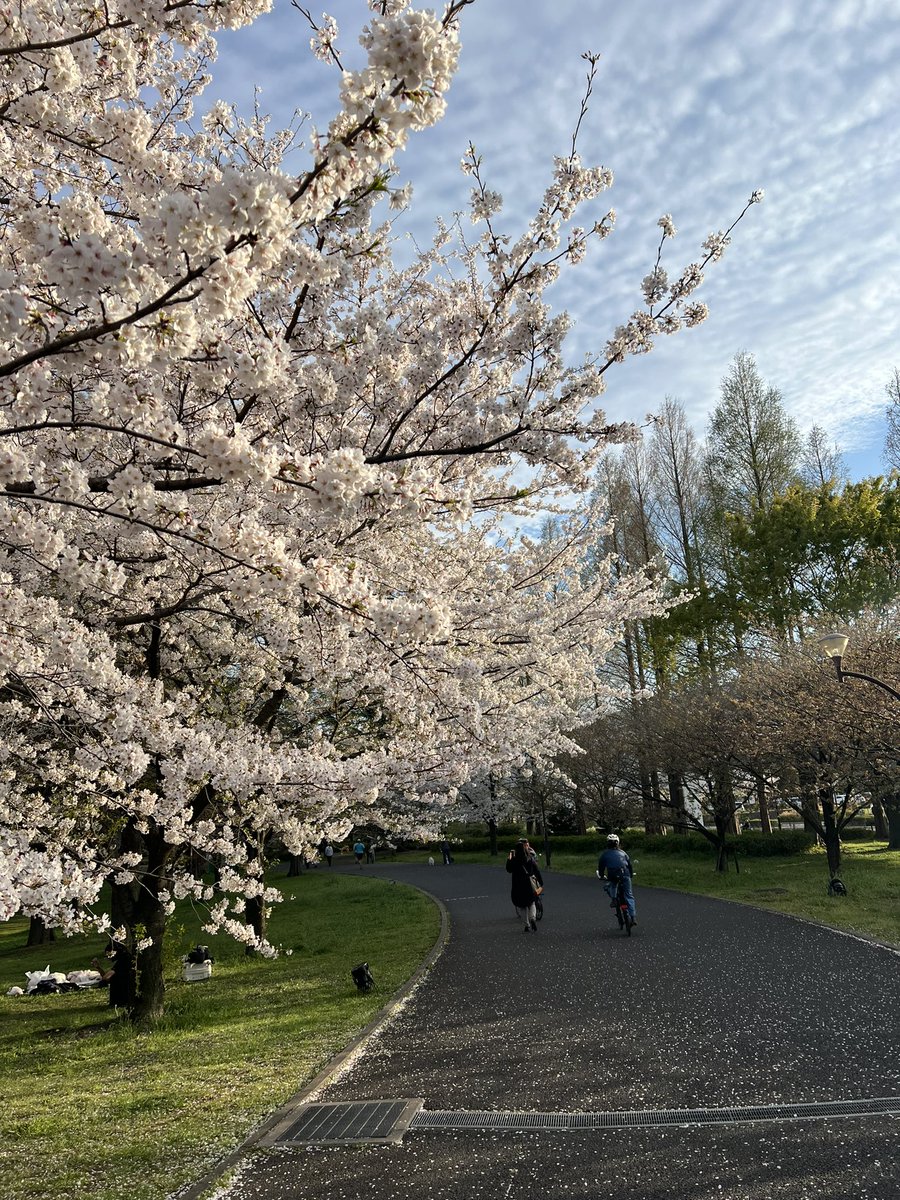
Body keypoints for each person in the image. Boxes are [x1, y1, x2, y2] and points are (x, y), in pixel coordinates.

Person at [596, 832, 636, 923]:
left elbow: (601, 867)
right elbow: (629, 865)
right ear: (618, 842)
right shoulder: (623, 853)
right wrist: (631, 874)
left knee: (612, 885)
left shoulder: (605, 854)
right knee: (629, 895)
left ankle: (614, 899)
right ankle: (633, 917)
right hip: (625, 874)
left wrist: (601, 876)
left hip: (613, 875)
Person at [506, 841, 543, 932]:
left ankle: (527, 924)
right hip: (529, 884)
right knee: (532, 902)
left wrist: (509, 857)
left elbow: (508, 869)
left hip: (517, 884)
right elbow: (536, 870)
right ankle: (533, 918)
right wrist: (540, 881)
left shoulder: (514, 859)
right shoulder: (529, 858)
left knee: (522, 906)